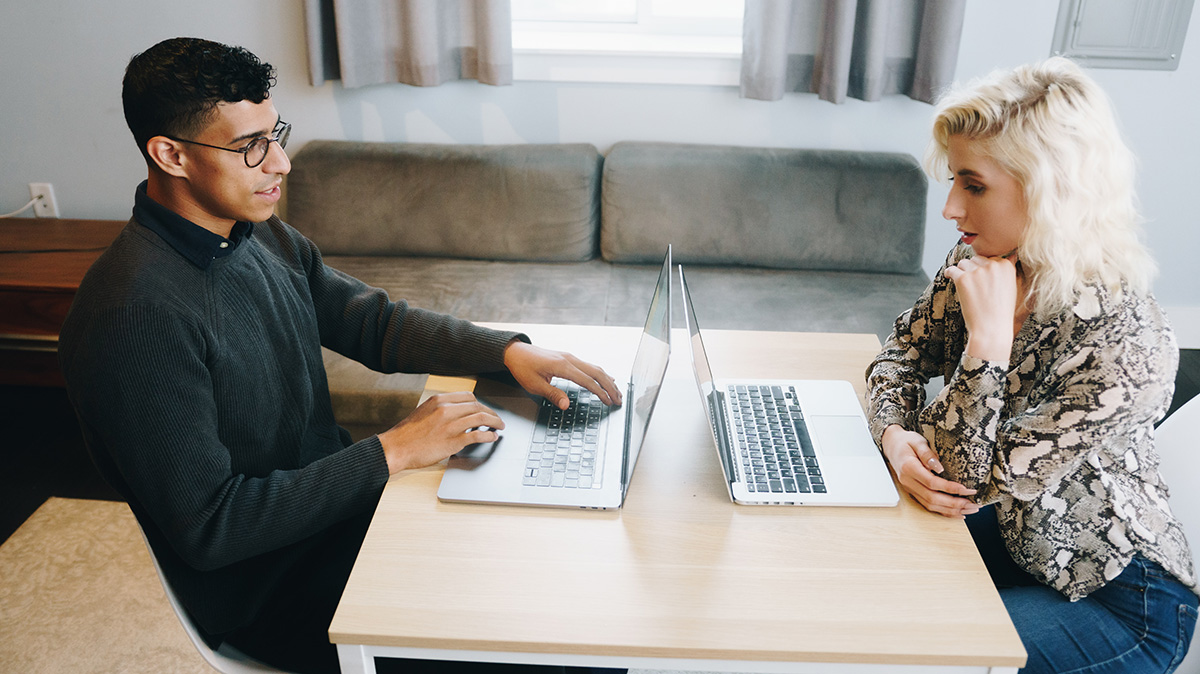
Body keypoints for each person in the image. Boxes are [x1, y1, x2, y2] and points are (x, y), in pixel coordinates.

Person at [58, 37, 624, 674]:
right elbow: (213, 528)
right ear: (170, 155)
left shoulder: (256, 232)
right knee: (561, 652)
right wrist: (395, 449)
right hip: (277, 592)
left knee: (562, 570)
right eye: (251, 147)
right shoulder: (133, 316)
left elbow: (371, 324)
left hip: (343, 521)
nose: (281, 164)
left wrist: (505, 351)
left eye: (276, 135)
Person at [865, 57, 1198, 673]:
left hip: (1122, 603)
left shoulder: (1128, 344)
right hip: (1028, 544)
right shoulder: (985, 255)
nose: (950, 211)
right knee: (858, 571)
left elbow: (963, 481)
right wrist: (893, 435)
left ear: (1048, 189)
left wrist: (986, 344)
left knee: (916, 651)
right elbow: (898, 356)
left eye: (974, 185)